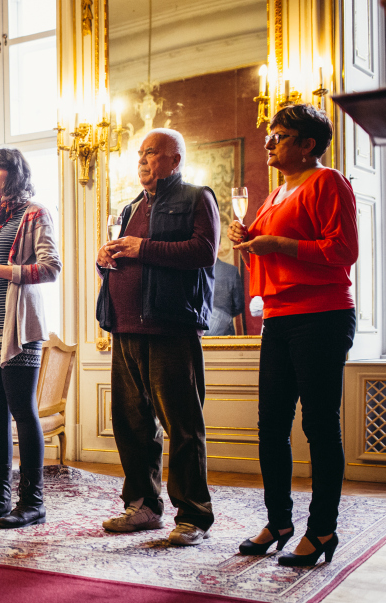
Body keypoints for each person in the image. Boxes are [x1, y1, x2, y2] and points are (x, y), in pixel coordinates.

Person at [231, 105, 358, 566]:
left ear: (307, 144)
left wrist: (275, 244)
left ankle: (322, 529)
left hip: (321, 315)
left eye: (279, 136)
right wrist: (247, 240)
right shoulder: (275, 193)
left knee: (319, 425)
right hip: (280, 317)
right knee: (271, 427)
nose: (269, 144)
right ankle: (279, 521)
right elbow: (267, 257)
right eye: (270, 136)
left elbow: (343, 250)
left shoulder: (328, 182)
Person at [95, 128, 219, 546]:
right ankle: (144, 506)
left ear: (175, 160)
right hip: (125, 327)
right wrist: (105, 258)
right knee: (131, 425)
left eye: (151, 153)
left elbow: (204, 252)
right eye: (140, 154)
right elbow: (125, 254)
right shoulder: (131, 206)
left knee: (182, 425)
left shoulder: (196, 198)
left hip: (170, 327)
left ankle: (194, 516)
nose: (142, 160)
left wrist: (140, 247)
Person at [0, 147, 61, 528]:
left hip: (19, 328)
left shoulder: (36, 212)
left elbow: (50, 268)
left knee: (22, 411)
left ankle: (32, 502)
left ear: (14, 173)